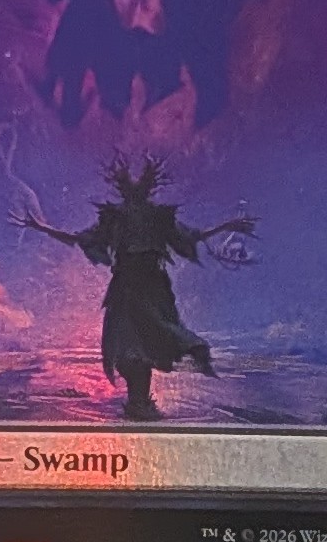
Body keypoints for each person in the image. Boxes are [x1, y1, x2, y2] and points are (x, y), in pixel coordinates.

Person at [19, 155, 254, 421]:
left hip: (146, 286)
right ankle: (140, 400)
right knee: (131, 347)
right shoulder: (120, 218)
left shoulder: (155, 217)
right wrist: (41, 227)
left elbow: (190, 236)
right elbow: (82, 239)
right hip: (129, 286)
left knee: (143, 341)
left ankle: (148, 394)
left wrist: (226, 226)